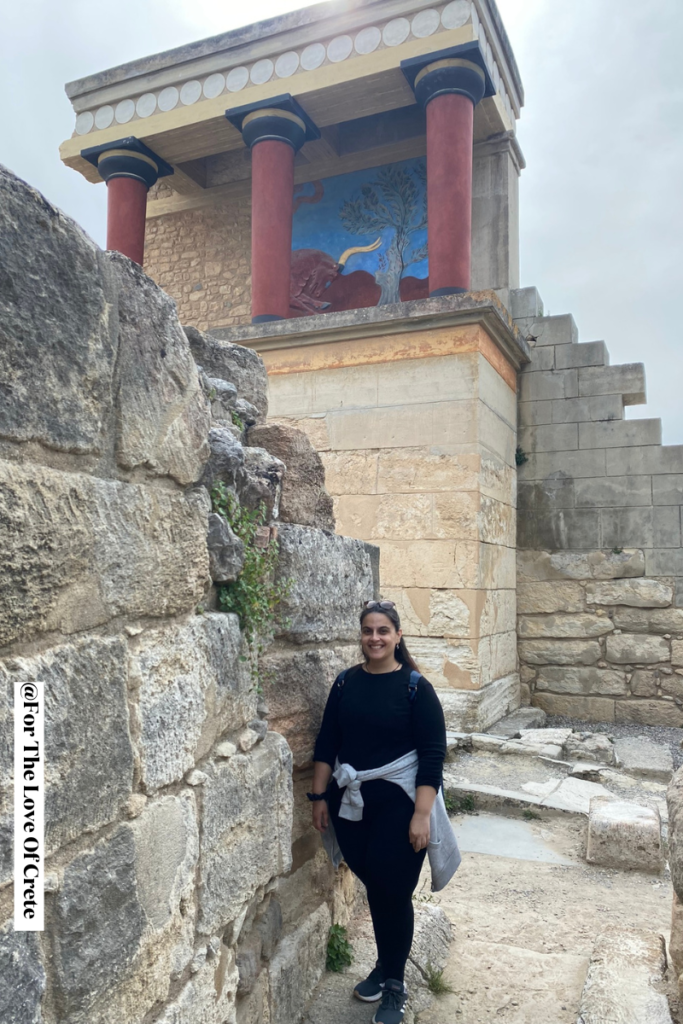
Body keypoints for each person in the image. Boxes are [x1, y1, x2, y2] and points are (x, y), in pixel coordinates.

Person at [309, 599, 450, 1024]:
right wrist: (318, 798)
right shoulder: (344, 684)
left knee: (392, 892)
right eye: (368, 631)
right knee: (379, 891)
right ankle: (387, 965)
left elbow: (431, 755)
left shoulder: (415, 688)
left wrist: (422, 815)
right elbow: (327, 742)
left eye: (383, 631)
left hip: (400, 807)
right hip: (352, 808)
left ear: (397, 636)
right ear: (362, 635)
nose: (375, 638)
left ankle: (394, 985)